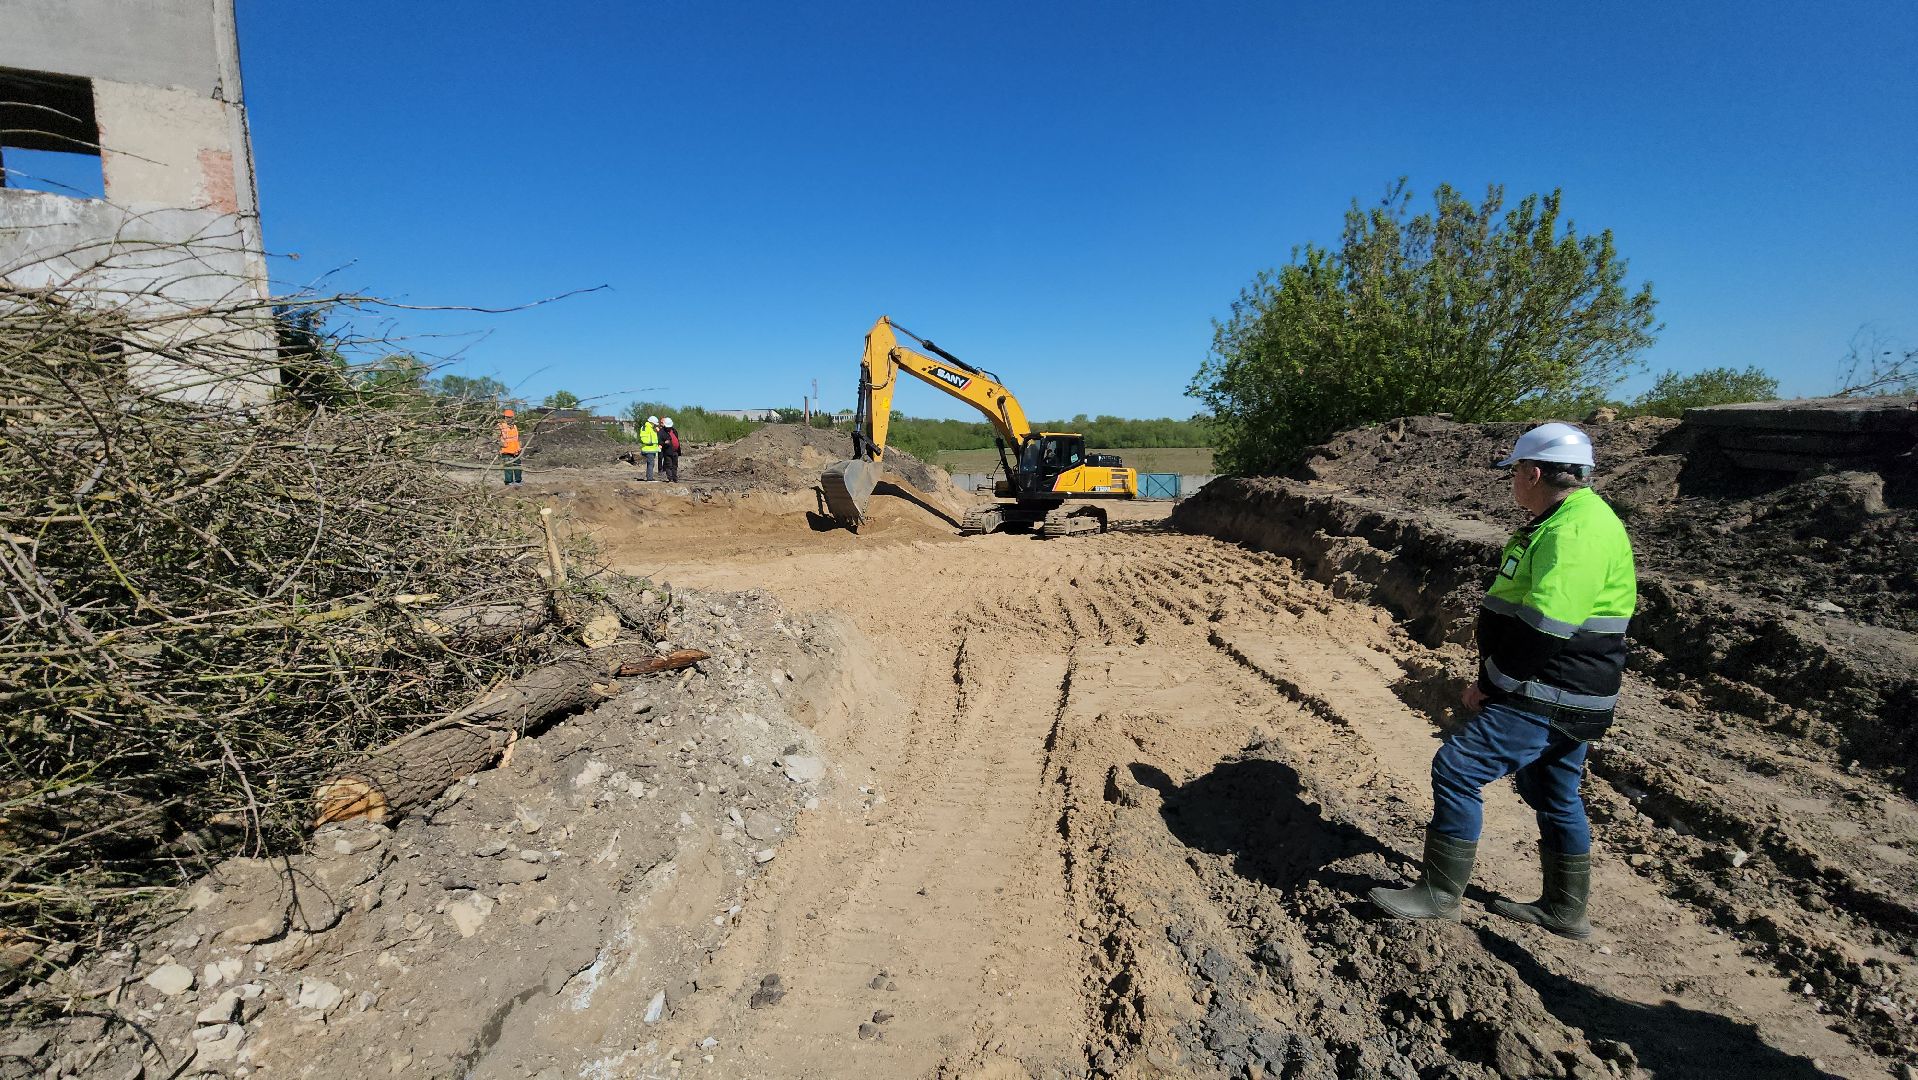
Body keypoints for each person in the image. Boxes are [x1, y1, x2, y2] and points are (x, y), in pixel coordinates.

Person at [1370, 422, 1636, 940]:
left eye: (1514, 471)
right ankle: (1564, 908)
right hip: (1568, 688)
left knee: (1457, 767)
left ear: (1534, 472)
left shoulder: (1574, 532)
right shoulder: (1564, 518)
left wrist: (1493, 681)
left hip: (1551, 687)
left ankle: (1440, 894)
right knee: (1553, 790)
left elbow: (1546, 629)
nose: (1512, 480)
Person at [498, 408, 523, 485]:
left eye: (510, 417)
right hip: (506, 450)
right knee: (508, 466)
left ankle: (518, 481)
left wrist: (519, 445)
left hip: (516, 450)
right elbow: (495, 438)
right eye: (506, 417)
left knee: (518, 466)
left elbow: (516, 437)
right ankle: (509, 482)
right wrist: (502, 444)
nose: (508, 419)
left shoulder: (515, 426)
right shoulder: (500, 426)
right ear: (504, 417)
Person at [638, 415, 661, 480]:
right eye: (655, 424)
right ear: (652, 422)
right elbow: (644, 438)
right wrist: (650, 443)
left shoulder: (651, 429)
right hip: (648, 449)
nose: (655, 425)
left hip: (652, 449)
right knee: (651, 463)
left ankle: (649, 477)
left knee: (651, 464)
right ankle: (650, 478)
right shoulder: (645, 427)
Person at [660, 416, 682, 482]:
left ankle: (675, 478)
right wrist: (664, 443)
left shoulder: (674, 430)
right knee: (669, 465)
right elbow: (659, 441)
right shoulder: (662, 432)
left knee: (675, 465)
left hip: (675, 451)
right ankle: (670, 478)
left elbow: (677, 439)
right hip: (667, 451)